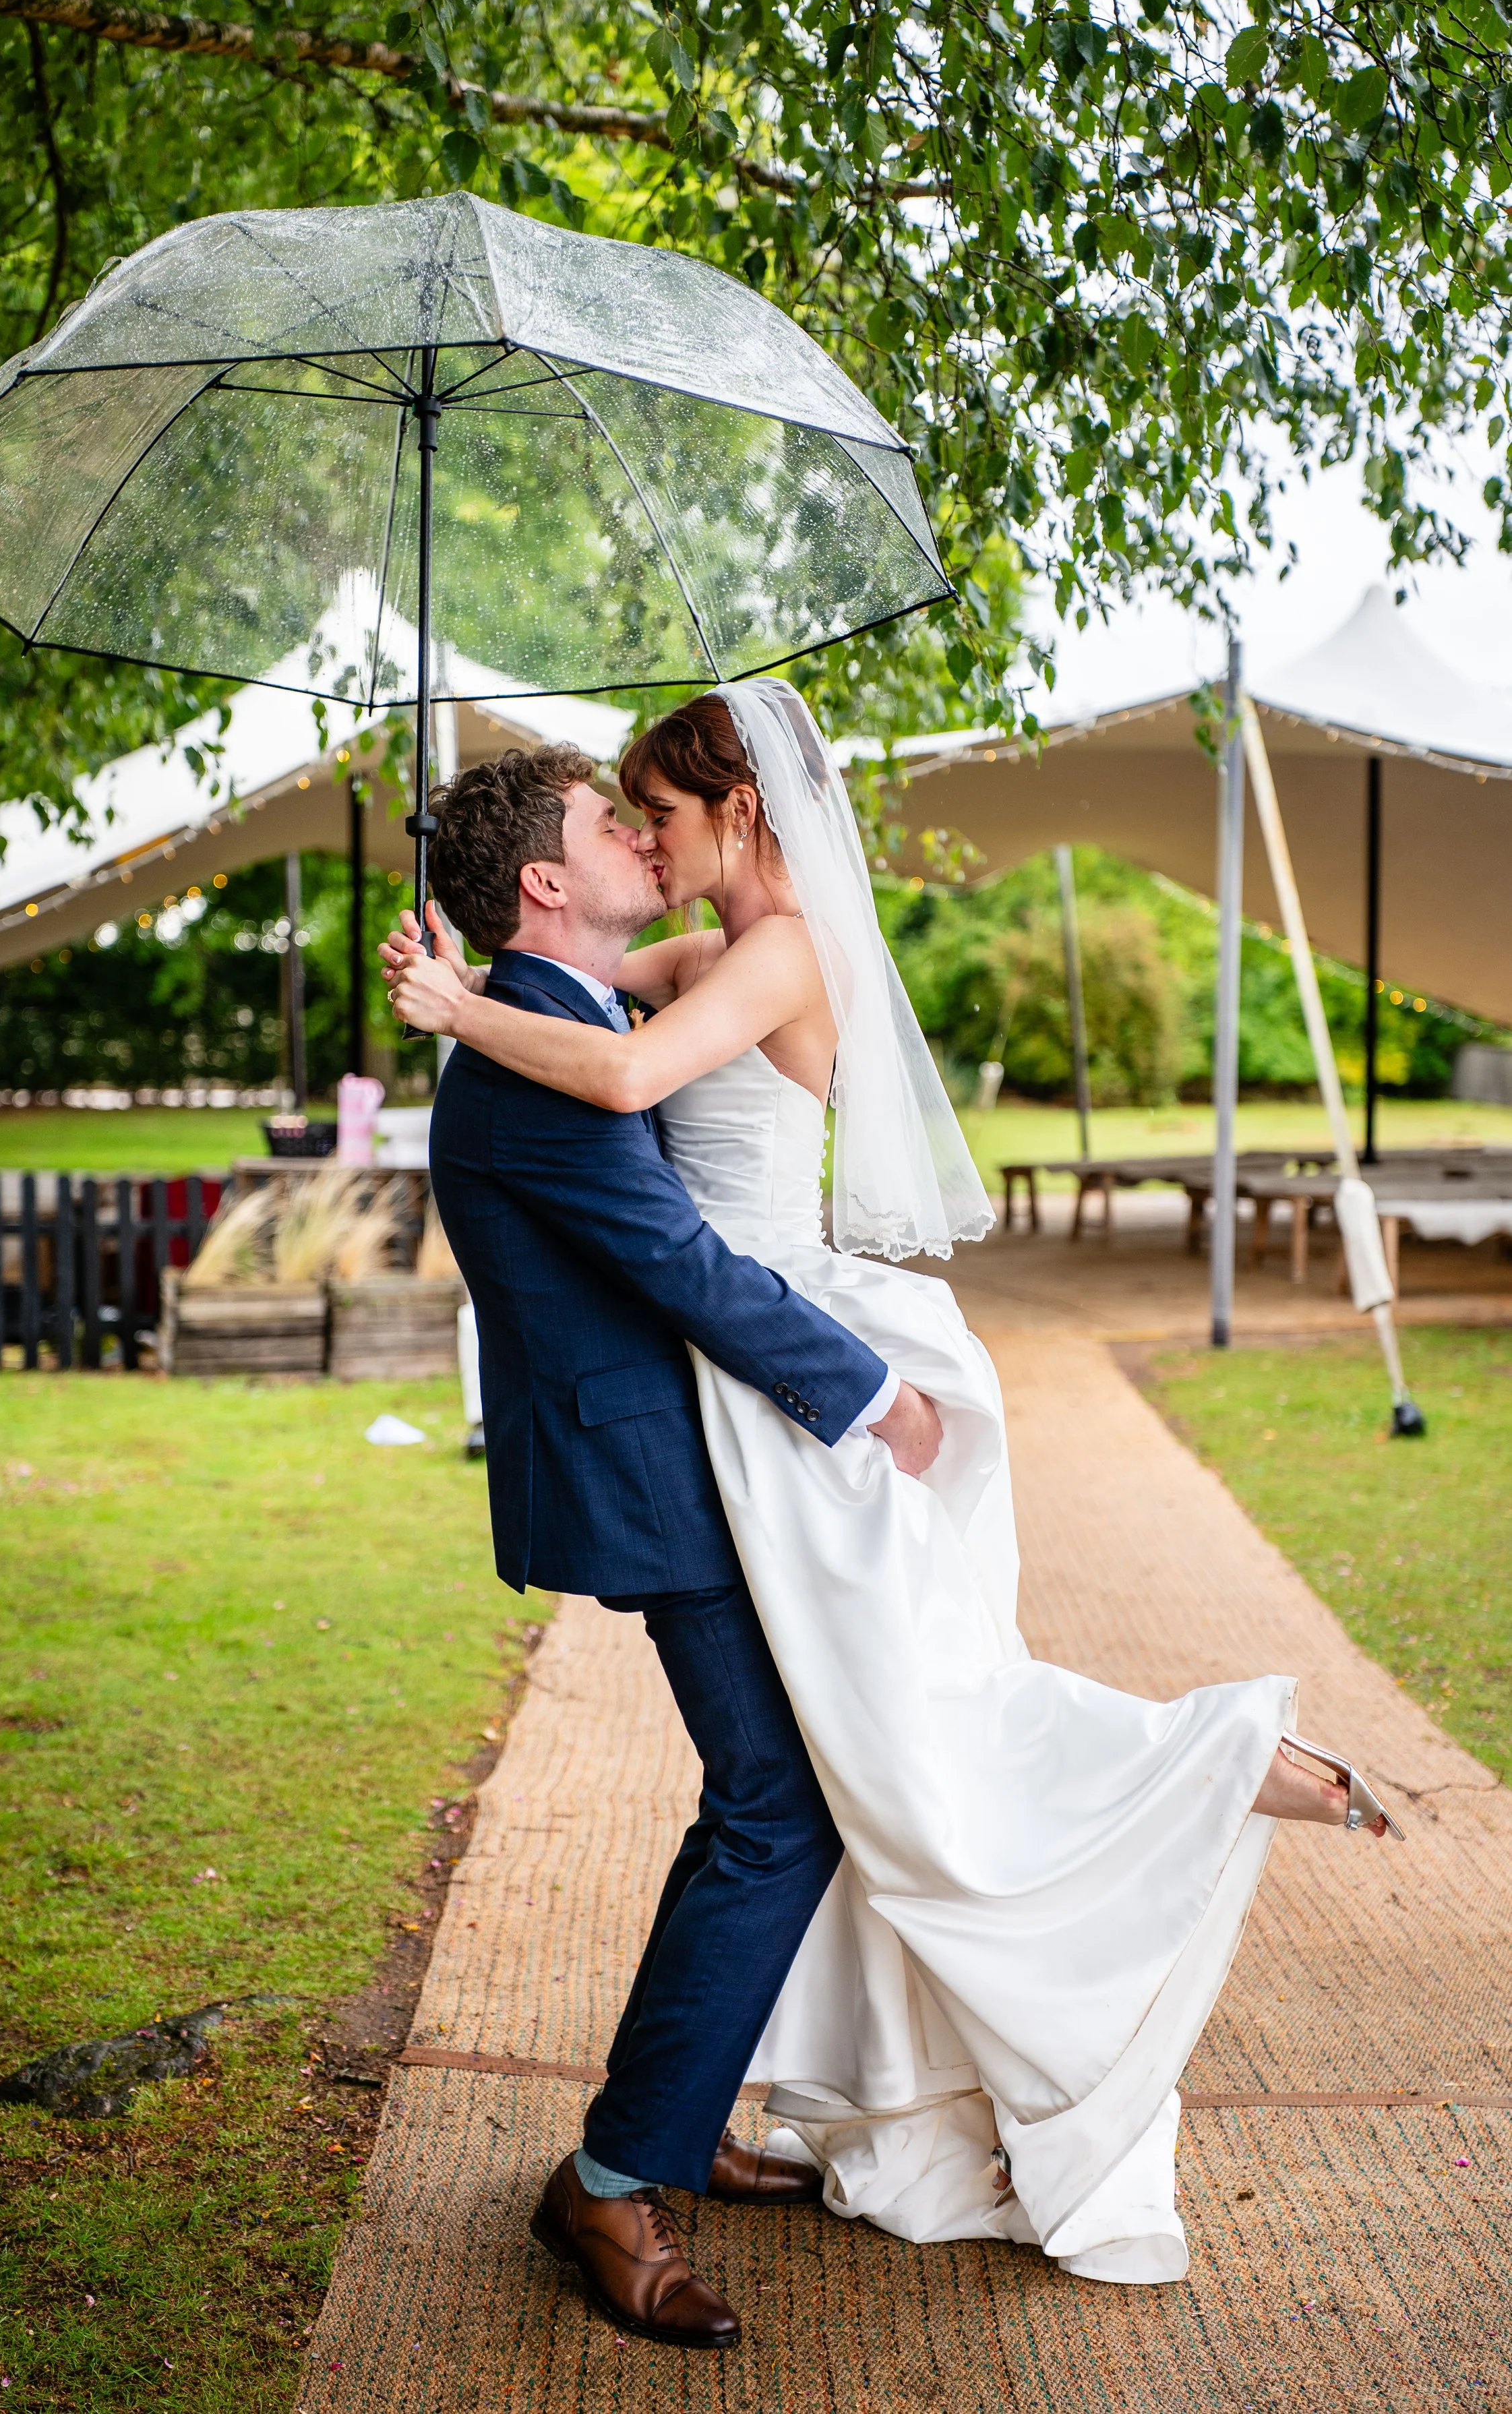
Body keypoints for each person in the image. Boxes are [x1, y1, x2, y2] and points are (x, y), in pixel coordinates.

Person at [384, 682, 1403, 2310]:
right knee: (795, 1797)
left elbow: (644, 1095)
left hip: (741, 1424)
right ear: (547, 889)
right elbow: (670, 1244)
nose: (635, 833)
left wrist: (459, 1000)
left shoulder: (629, 993)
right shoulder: (556, 1040)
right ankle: (617, 2173)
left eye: (651, 806)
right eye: (605, 821)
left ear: (732, 818)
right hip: (693, 1455)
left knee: (831, 1764)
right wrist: (857, 1397)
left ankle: (657, 2130)